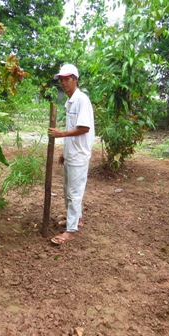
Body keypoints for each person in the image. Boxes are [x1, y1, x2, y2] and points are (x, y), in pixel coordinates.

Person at [48, 64, 95, 245]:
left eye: (67, 79)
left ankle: (71, 230)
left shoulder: (82, 100)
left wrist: (61, 135)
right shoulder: (71, 101)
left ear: (75, 79)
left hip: (79, 155)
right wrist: (64, 151)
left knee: (74, 193)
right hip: (71, 153)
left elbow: (84, 128)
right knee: (68, 190)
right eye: (61, 79)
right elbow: (72, 128)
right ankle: (76, 219)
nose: (64, 83)